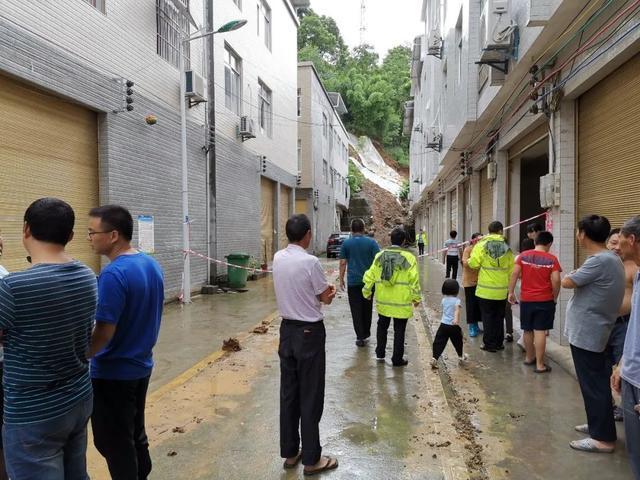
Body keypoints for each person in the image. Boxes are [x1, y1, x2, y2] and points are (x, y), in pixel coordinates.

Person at [0, 198, 97, 478]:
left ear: (26, 230)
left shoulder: (13, 288)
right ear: (69, 236)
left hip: (33, 414)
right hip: (78, 398)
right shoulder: (87, 276)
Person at [88, 205, 165, 479]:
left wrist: (84, 355)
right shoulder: (150, 264)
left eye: (92, 232)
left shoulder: (113, 274)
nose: (90, 238)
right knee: (134, 434)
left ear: (113, 235)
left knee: (112, 441)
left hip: (114, 373)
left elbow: (105, 331)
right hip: (141, 365)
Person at [272, 214, 338, 475]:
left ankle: (290, 453)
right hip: (309, 333)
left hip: (286, 331)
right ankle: (312, 460)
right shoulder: (311, 263)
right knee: (310, 395)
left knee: (289, 394)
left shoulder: (278, 258)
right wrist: (330, 292)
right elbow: (324, 297)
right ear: (308, 234)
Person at [562, 215, 624, 454]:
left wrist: (573, 273)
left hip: (589, 332)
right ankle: (599, 425)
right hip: (591, 331)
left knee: (594, 385)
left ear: (583, 234)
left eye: (578, 231)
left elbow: (568, 282)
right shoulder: (607, 259)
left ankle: (603, 438)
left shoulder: (599, 261)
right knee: (593, 383)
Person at [363, 228, 421, 367]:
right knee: (399, 330)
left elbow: (369, 275)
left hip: (383, 301)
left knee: (382, 326)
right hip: (401, 303)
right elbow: (414, 280)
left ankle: (380, 354)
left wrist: (367, 292)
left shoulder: (380, 256)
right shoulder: (409, 258)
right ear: (404, 241)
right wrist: (416, 297)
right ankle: (397, 359)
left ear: (391, 239)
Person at [508, 231, 561, 373]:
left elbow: (514, 273)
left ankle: (529, 358)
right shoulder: (552, 259)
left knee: (527, 329)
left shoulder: (523, 256)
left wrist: (511, 292)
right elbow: (556, 280)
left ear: (535, 241)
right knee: (540, 331)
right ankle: (540, 365)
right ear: (549, 243)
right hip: (545, 300)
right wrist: (554, 296)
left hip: (526, 299)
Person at [611, 216, 640, 478]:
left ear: (632, 240)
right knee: (635, 453)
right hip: (631, 376)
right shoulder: (639, 274)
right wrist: (622, 365)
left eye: (620, 241)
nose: (617, 247)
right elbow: (635, 327)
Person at [606, 228, 638, 421]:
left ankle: (628, 412)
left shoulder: (634, 267)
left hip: (625, 326)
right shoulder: (602, 264)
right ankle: (607, 409)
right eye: (613, 243)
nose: (617, 247)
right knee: (603, 370)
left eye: (620, 243)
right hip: (603, 325)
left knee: (624, 370)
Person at [468, 221, 515, 352]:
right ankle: (499, 343)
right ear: (501, 231)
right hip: (501, 290)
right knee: (499, 317)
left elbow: (474, 264)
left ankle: (489, 344)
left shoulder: (481, 245)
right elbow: (512, 270)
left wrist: (468, 260)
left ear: (489, 231)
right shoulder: (507, 247)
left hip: (485, 290)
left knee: (487, 317)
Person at [339, 218, 380, 347]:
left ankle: (360, 337)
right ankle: (366, 333)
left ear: (351, 229)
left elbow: (343, 262)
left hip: (353, 283)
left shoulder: (346, 244)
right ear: (363, 229)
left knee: (355, 309)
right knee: (367, 308)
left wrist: (341, 279)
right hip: (369, 283)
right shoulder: (372, 243)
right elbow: (378, 261)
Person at [431, 279, 468, 368]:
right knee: (458, 341)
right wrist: (455, 319)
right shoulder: (457, 301)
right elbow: (457, 311)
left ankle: (434, 358)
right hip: (453, 326)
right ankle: (460, 356)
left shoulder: (444, 300)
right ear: (456, 290)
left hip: (443, 325)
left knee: (439, 342)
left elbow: (444, 310)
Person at [462, 233, 482, 337]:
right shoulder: (468, 249)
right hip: (469, 282)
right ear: (473, 240)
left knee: (479, 305)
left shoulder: (483, 249)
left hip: (481, 282)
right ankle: (472, 327)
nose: (479, 241)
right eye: (478, 239)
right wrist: (475, 261)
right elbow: (465, 263)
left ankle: (477, 325)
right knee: (471, 305)